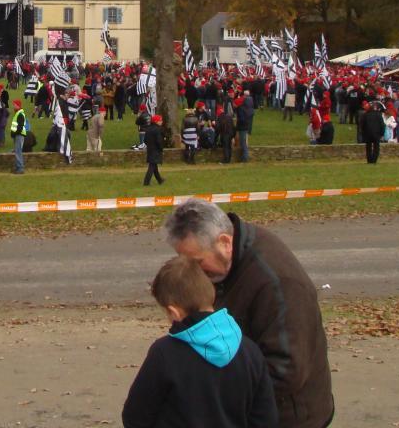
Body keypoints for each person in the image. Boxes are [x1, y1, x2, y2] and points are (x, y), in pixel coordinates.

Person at [165, 198, 334, 428]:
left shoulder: (278, 284)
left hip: (288, 418)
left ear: (225, 242)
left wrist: (213, 396)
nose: (193, 272)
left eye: (197, 262)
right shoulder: (228, 259)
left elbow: (286, 371)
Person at [121, 256, 278, 428]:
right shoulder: (250, 351)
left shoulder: (164, 353)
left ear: (174, 312)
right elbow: (265, 418)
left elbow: (135, 415)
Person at [143, 114, 165, 186]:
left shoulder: (148, 128)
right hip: (156, 149)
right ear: (156, 121)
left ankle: (160, 180)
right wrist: (161, 148)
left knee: (154, 165)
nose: (161, 122)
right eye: (160, 120)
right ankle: (146, 182)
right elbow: (159, 141)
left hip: (150, 149)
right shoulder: (158, 129)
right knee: (152, 166)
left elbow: (145, 140)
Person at [9, 99, 27, 175]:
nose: (14, 106)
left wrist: (15, 133)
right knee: (17, 151)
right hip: (18, 135)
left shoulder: (20, 114)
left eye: (15, 105)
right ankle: (18, 167)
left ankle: (20, 168)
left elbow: (19, 126)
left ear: (18, 105)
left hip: (19, 135)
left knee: (18, 151)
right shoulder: (18, 113)